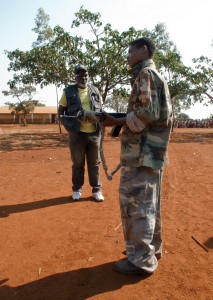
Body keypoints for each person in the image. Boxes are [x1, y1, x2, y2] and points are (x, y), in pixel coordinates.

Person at [102, 37, 173, 275]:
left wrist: (115, 121)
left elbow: (145, 115)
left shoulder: (146, 75)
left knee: (137, 206)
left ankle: (142, 260)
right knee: (149, 204)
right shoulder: (153, 76)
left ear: (144, 50)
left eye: (131, 51)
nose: (128, 56)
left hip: (141, 153)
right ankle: (151, 249)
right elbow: (150, 112)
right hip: (150, 153)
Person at [58, 63, 104, 202]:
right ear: (75, 76)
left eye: (85, 74)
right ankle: (77, 189)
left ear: (88, 76)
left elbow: (101, 110)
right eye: (79, 74)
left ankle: (96, 190)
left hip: (94, 134)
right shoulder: (68, 91)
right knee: (78, 164)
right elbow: (61, 112)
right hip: (77, 135)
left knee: (95, 163)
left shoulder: (95, 90)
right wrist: (69, 127)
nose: (83, 77)